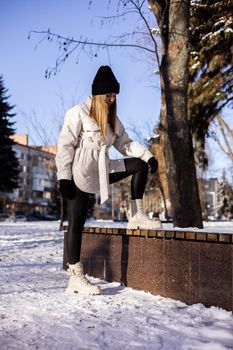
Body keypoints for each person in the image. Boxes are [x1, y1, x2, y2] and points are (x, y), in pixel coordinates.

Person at [55, 65, 161, 295]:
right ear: (97, 94)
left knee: (138, 166)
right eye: (108, 95)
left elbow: (125, 144)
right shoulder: (78, 112)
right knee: (77, 222)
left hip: (103, 170)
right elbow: (65, 145)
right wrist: (64, 177)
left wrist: (148, 155)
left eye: (114, 95)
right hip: (79, 173)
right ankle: (75, 276)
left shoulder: (114, 120)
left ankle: (137, 215)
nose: (112, 99)